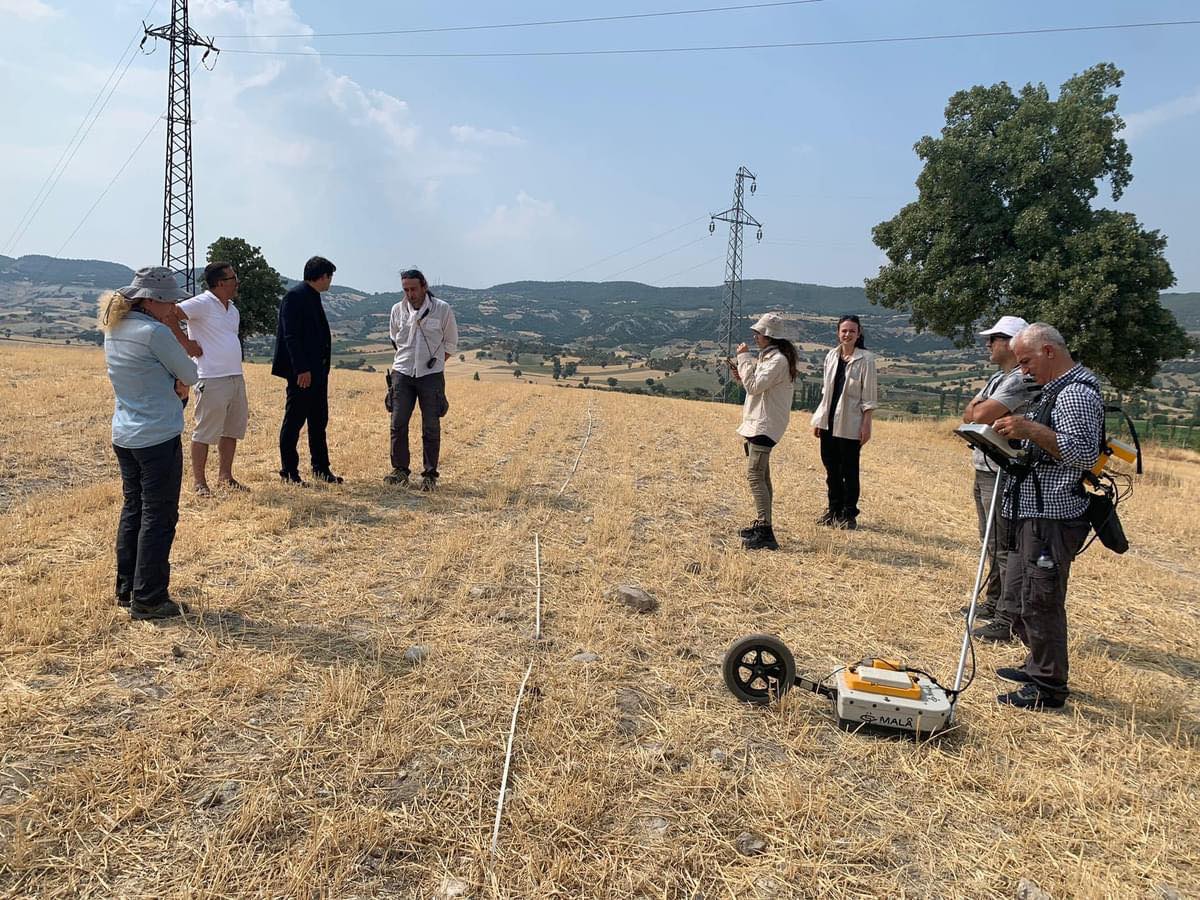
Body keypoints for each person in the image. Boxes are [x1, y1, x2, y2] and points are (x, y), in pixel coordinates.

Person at [992, 323, 1103, 711]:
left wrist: (1028, 428)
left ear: (1049, 352)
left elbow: (1083, 454)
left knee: (1042, 598)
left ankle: (1048, 686)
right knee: (1026, 593)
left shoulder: (1074, 394)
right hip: (1035, 510)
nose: (1023, 370)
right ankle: (1036, 663)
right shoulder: (1056, 390)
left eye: (1026, 361)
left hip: (1053, 514)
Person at [99, 267, 199, 620]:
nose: (173, 306)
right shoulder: (154, 333)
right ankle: (150, 597)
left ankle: (127, 589)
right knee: (159, 516)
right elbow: (191, 374)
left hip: (125, 434)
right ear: (153, 300)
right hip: (157, 434)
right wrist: (179, 383)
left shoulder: (115, 329)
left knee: (134, 511)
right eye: (169, 300)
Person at [960, 315, 1035, 642]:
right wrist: (980, 410)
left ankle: (1007, 617)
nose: (988, 344)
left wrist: (981, 410)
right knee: (991, 540)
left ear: (1013, 342)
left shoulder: (1019, 379)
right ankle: (994, 603)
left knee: (1003, 543)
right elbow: (971, 414)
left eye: (995, 338)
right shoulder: (998, 377)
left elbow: (979, 414)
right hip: (986, 466)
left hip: (1002, 468)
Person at [179, 261, 250, 496]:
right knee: (204, 432)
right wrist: (186, 344)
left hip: (235, 377)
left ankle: (225, 477)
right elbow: (170, 314)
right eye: (233, 278)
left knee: (231, 430)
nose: (237, 282)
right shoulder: (202, 303)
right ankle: (199, 482)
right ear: (220, 283)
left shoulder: (233, 309)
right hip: (211, 377)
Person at [384, 268, 458, 491]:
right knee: (398, 424)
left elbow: (450, 343)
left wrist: (435, 362)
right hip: (402, 373)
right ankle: (400, 471)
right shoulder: (397, 310)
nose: (410, 294)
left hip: (430, 375)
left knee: (431, 426)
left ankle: (429, 475)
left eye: (413, 289)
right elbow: (394, 339)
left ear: (424, 286)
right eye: (406, 289)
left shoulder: (442, 309)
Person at [731, 313, 799, 551]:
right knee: (762, 477)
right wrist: (744, 372)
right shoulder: (772, 357)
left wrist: (743, 358)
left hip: (764, 424)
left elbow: (754, 386)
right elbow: (756, 387)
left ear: (768, 336)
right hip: (761, 423)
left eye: (758, 333)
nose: (754, 336)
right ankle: (762, 524)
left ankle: (765, 531)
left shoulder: (776, 360)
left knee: (755, 476)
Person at [271, 255, 342, 485]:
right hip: (302, 374)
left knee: (318, 422)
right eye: (330, 277)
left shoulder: (311, 296)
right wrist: (301, 369)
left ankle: (321, 468)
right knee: (294, 422)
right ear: (322, 276)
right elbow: (290, 336)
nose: (330, 282)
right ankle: (289, 471)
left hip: (318, 374)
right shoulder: (295, 297)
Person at [810, 314, 878, 530]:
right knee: (831, 469)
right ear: (838, 333)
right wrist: (819, 419)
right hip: (828, 421)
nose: (847, 334)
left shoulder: (866, 359)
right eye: (844, 330)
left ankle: (849, 514)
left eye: (852, 331)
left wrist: (866, 425)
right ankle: (833, 509)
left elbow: (868, 397)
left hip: (851, 422)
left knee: (849, 469)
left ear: (859, 334)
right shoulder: (831, 356)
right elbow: (825, 391)